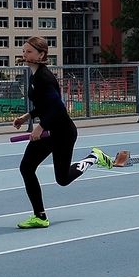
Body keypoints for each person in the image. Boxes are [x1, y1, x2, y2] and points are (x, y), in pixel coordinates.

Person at [12, 34, 110, 228]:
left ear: (41, 55)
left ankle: (93, 157)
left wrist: (40, 126)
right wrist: (27, 117)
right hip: (49, 131)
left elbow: (57, 107)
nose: (24, 55)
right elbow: (45, 105)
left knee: (63, 179)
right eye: (23, 51)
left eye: (29, 51)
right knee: (26, 168)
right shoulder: (34, 76)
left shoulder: (45, 78)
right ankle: (40, 216)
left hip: (63, 133)